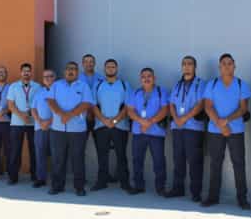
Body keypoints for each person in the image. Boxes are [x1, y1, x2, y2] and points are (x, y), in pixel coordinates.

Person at [201, 53, 251, 209]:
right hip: (215, 131)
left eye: (230, 63)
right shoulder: (212, 84)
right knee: (215, 163)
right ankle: (213, 197)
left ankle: (242, 199)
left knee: (239, 164)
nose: (227, 66)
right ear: (219, 67)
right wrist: (220, 124)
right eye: (224, 63)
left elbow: (243, 109)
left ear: (234, 66)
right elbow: (208, 106)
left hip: (235, 131)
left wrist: (227, 121)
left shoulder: (242, 85)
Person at [46, 61, 94, 196]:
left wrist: (70, 115)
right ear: (64, 72)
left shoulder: (83, 86)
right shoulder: (56, 85)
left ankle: (79, 187)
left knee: (77, 159)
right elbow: (50, 101)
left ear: (77, 72)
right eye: (68, 69)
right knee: (58, 159)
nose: (70, 71)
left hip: (77, 130)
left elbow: (86, 103)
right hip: (58, 129)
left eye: (73, 69)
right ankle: (57, 186)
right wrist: (62, 114)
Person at [166, 56, 206, 202]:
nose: (187, 66)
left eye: (190, 64)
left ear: (195, 67)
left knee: (194, 161)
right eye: (184, 64)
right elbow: (171, 103)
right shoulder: (177, 85)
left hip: (193, 128)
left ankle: (196, 192)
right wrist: (176, 118)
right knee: (178, 159)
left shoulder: (201, 84)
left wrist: (184, 118)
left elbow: (201, 104)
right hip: (178, 128)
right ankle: (178, 189)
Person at [91, 59, 133, 192]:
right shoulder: (98, 85)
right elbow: (93, 105)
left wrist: (114, 121)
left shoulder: (124, 85)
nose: (110, 69)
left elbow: (127, 106)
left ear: (117, 69)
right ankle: (101, 181)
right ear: (104, 69)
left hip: (120, 126)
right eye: (108, 67)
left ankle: (125, 183)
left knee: (121, 155)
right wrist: (104, 120)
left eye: (113, 67)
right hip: (101, 126)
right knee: (102, 155)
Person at [126, 67, 169, 196]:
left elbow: (164, 110)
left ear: (154, 78)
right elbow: (130, 110)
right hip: (139, 132)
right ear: (140, 79)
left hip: (156, 133)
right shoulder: (135, 93)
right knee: (137, 160)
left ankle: (160, 187)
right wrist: (141, 121)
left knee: (159, 161)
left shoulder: (161, 92)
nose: (146, 78)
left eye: (149, 76)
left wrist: (149, 122)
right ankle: (139, 186)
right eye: (143, 76)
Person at [7, 63, 41, 183]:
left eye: (28, 71)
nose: (26, 73)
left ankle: (35, 175)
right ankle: (13, 177)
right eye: (24, 71)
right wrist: (22, 115)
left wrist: (30, 115)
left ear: (31, 72)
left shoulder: (38, 87)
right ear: (20, 72)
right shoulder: (13, 87)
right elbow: (10, 105)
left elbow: (40, 104)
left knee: (34, 150)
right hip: (17, 123)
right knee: (15, 150)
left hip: (33, 123)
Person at [31, 69, 56, 187]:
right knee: (40, 154)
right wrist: (40, 122)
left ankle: (57, 179)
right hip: (39, 127)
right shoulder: (38, 92)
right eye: (45, 76)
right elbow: (33, 109)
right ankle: (41, 178)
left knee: (57, 154)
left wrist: (50, 121)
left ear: (54, 78)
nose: (47, 78)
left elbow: (62, 109)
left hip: (56, 128)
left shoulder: (59, 91)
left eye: (50, 76)